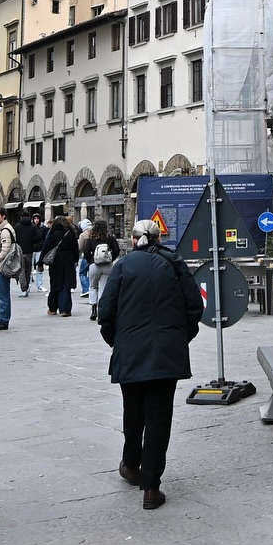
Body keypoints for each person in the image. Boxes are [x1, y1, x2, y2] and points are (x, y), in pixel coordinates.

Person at [97, 218, 203, 510]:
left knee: (132, 413)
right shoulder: (175, 263)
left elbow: (106, 312)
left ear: (133, 240)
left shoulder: (123, 266)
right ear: (159, 238)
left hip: (130, 352)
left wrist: (117, 342)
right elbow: (195, 307)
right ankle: (151, 488)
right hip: (166, 354)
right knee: (159, 418)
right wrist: (179, 339)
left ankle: (131, 465)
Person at [40, 213, 79, 318]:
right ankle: (65, 309)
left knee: (55, 284)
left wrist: (40, 262)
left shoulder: (53, 233)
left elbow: (46, 247)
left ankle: (52, 308)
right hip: (68, 261)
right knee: (66, 285)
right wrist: (76, 260)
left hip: (55, 262)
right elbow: (76, 248)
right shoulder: (71, 233)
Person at [86, 220, 120, 321]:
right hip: (107, 266)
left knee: (93, 286)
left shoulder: (91, 238)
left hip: (94, 265)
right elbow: (116, 250)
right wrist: (111, 259)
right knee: (103, 287)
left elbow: (86, 252)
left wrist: (91, 261)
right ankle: (101, 311)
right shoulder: (110, 238)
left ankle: (93, 310)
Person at [15, 210, 40, 297]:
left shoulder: (17, 226)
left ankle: (24, 288)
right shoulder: (33, 226)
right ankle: (27, 286)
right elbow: (38, 237)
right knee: (28, 270)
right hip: (30, 251)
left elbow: (14, 238)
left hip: (20, 251)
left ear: (21, 216)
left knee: (21, 270)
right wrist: (32, 243)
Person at [78, 217, 94, 299]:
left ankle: (86, 289)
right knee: (91, 274)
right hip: (94, 256)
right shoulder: (94, 232)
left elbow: (80, 247)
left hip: (86, 256)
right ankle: (91, 288)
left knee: (82, 273)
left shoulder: (83, 235)